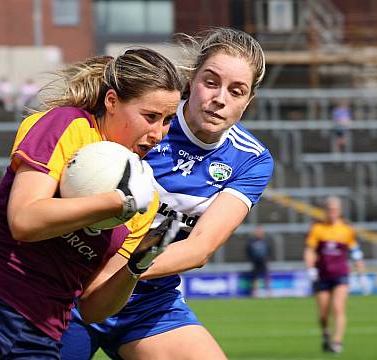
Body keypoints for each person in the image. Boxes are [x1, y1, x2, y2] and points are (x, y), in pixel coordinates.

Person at [0, 48, 182, 359]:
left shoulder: (145, 200)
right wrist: (115, 201)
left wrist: (138, 264)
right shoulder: (69, 126)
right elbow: (24, 221)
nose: (158, 134)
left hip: (39, 335)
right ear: (111, 101)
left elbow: (93, 307)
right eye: (150, 117)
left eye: (167, 120)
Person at [61, 27, 274, 360]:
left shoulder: (251, 159)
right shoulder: (146, 118)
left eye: (237, 91)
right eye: (211, 81)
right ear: (191, 81)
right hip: (72, 284)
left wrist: (122, 272)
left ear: (248, 102)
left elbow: (200, 247)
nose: (220, 98)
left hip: (149, 299)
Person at [304, 196, 368, 354]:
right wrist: (311, 269)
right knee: (324, 313)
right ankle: (326, 333)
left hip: (341, 275)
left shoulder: (346, 229)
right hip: (323, 275)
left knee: (339, 308)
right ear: (325, 211)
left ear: (339, 211)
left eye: (334, 210)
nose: (331, 212)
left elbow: (356, 253)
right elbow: (310, 250)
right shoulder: (317, 228)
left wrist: (362, 275)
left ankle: (337, 342)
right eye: (329, 210)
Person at [245, 225, 272, 297]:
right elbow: (248, 251)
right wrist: (251, 259)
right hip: (255, 262)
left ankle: (269, 292)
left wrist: (267, 258)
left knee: (266, 276)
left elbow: (270, 250)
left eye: (260, 231)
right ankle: (255, 293)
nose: (259, 233)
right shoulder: (252, 241)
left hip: (264, 261)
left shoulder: (266, 241)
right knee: (255, 278)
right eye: (257, 231)